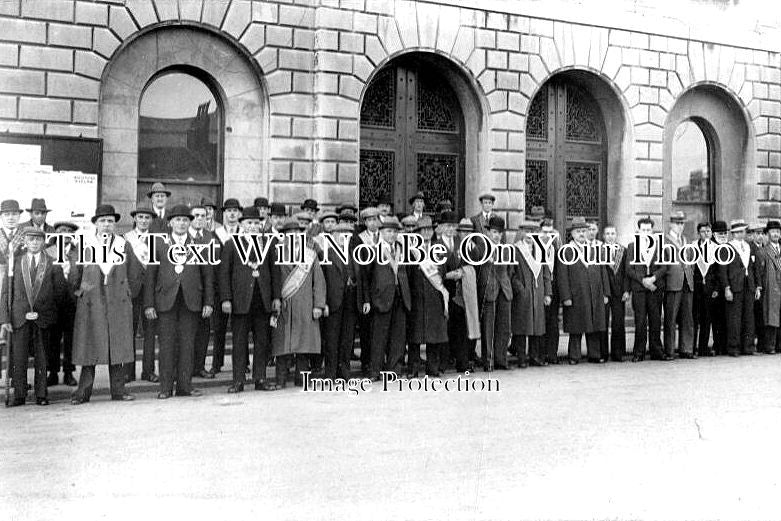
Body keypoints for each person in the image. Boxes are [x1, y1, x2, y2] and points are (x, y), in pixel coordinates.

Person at [71, 205, 141, 404]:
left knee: (116, 347)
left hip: (117, 302)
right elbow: (76, 274)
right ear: (95, 223)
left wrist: (127, 292)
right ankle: (83, 393)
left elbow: (134, 273)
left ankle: (118, 391)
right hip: (92, 301)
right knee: (89, 347)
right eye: (103, 221)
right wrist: (82, 292)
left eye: (110, 221)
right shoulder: (86, 243)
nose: (107, 224)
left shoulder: (123, 244)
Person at [144, 204, 214, 399]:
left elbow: (207, 276)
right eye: (178, 220)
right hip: (165, 301)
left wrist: (208, 302)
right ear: (170, 223)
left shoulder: (199, 245)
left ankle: (184, 386)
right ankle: (165, 388)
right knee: (166, 345)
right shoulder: (158, 244)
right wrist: (149, 304)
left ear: (189, 223)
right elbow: (150, 276)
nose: (182, 223)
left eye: (185, 220)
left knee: (187, 345)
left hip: (190, 301)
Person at [219, 206, 281, 392]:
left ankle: (260, 378)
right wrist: (226, 299)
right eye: (249, 223)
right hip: (240, 300)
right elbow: (224, 274)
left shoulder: (268, 243)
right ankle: (238, 380)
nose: (253, 226)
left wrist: (276, 297)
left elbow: (275, 272)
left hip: (262, 300)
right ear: (242, 225)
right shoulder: (232, 244)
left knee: (262, 341)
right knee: (239, 342)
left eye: (256, 223)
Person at [1, 227, 64, 406]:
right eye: (31, 239)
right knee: (18, 357)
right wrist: (5, 319)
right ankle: (19, 395)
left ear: (43, 242)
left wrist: (52, 316)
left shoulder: (52, 263)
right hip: (19, 317)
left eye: (38, 239)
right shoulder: (15, 262)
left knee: (42, 357)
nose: (34, 243)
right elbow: (6, 292)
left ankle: (41, 394)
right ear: (25, 242)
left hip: (43, 317)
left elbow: (59, 293)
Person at [271, 217, 326, 387]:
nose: (294, 235)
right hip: (285, 303)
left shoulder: (310, 254)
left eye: (297, 232)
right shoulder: (277, 251)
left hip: (305, 304)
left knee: (304, 343)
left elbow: (319, 280)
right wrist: (275, 299)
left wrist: (319, 305)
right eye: (290, 233)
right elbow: (273, 278)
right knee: (282, 344)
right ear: (284, 235)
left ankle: (300, 377)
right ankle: (280, 379)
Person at [558, 217, 610, 364]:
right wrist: (566, 296)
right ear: (572, 234)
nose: (581, 233)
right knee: (576, 327)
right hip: (576, 294)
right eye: (578, 231)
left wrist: (606, 292)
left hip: (595, 293)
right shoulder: (566, 251)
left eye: (583, 231)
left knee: (593, 324)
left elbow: (603, 271)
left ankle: (594, 354)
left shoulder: (594, 249)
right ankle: (574, 356)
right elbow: (562, 276)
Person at [366, 216, 411, 380]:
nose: (392, 235)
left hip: (400, 297)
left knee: (398, 336)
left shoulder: (402, 248)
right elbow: (368, 276)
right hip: (382, 298)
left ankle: (394, 369)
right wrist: (371, 298)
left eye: (394, 232)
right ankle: (375, 371)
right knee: (379, 337)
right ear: (382, 232)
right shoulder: (374, 249)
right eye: (389, 231)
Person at [407, 216, 449, 377]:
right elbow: (409, 274)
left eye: (429, 230)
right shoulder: (412, 251)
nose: (426, 232)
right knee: (415, 337)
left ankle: (432, 368)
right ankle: (413, 369)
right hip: (417, 296)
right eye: (422, 230)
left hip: (434, 295)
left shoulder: (439, 249)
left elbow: (443, 270)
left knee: (434, 336)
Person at [122, 205, 159, 383]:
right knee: (129, 331)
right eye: (140, 217)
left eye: (147, 218)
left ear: (151, 220)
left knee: (150, 333)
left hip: (151, 293)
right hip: (131, 291)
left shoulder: (158, 240)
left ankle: (148, 371)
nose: (144, 220)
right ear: (135, 219)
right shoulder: (125, 240)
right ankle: (128, 371)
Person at [320, 222, 360, 380]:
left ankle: (344, 372)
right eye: (341, 234)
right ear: (333, 237)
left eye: (348, 235)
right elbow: (322, 281)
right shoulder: (326, 254)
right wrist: (324, 303)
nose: (344, 238)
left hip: (350, 302)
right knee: (331, 340)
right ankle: (330, 373)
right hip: (333, 302)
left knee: (347, 340)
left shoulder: (354, 254)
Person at [509, 220, 552, 368]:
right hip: (523, 294)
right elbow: (511, 274)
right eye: (527, 232)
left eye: (533, 232)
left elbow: (546, 274)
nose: (529, 235)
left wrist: (547, 293)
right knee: (522, 327)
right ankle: (521, 358)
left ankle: (535, 357)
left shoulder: (541, 250)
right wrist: (520, 289)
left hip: (538, 293)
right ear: (522, 233)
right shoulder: (515, 250)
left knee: (537, 327)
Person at [626, 217, 667, 361]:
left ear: (652, 230)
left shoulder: (659, 245)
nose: (646, 232)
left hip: (655, 288)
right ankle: (639, 352)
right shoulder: (632, 247)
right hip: (639, 288)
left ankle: (657, 351)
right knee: (640, 321)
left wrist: (653, 278)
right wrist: (643, 280)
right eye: (643, 230)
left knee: (655, 320)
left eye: (649, 229)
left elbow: (664, 267)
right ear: (638, 230)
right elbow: (629, 269)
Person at [209, 198, 242, 374]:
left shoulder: (245, 233)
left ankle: (242, 363)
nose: (232, 214)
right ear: (224, 214)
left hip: (240, 288)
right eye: (229, 211)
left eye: (235, 211)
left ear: (239, 214)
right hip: (220, 287)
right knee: (219, 328)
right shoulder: (216, 234)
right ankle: (216, 363)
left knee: (241, 328)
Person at [45, 221, 79, 386]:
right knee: (53, 339)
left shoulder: (78, 253)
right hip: (53, 303)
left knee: (70, 339)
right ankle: (52, 372)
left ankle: (68, 373)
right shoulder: (48, 252)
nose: (65, 233)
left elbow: (87, 277)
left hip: (73, 303)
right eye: (61, 231)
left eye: (68, 231)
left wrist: (80, 293)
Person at [444, 218, 480, 373]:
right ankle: (458, 360)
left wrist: (464, 273)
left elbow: (477, 269)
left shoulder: (474, 249)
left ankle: (466, 360)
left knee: (467, 327)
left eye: (468, 232)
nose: (465, 234)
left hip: (470, 293)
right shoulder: (455, 248)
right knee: (457, 329)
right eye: (463, 231)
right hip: (455, 294)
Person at [476, 215, 512, 371]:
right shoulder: (482, 248)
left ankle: (501, 360)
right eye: (494, 232)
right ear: (489, 232)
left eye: (499, 233)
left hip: (504, 290)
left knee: (504, 328)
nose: (497, 235)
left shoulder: (506, 248)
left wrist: (506, 284)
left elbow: (510, 270)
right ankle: (488, 361)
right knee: (488, 328)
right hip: (489, 291)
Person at [720, 219, 759, 357]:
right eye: (741, 231)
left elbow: (754, 268)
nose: (744, 233)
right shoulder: (726, 248)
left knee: (749, 317)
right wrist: (726, 287)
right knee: (734, 318)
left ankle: (747, 347)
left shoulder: (749, 246)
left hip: (748, 286)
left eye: (744, 231)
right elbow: (723, 270)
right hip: (735, 286)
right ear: (735, 233)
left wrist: (757, 287)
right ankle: (733, 347)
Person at [189, 204, 217, 380]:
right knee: (186, 333)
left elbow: (213, 270)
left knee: (203, 333)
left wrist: (210, 300)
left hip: (206, 292)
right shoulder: (182, 238)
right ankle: (185, 367)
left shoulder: (211, 237)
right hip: (187, 293)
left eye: (203, 215)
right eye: (196, 215)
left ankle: (199, 366)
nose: (200, 218)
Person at [663, 211, 695, 359]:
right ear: (671, 224)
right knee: (671, 318)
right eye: (677, 223)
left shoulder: (686, 240)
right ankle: (669, 350)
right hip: (672, 283)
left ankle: (686, 349)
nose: (680, 226)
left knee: (687, 318)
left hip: (687, 282)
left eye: (682, 223)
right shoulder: (665, 241)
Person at [355, 207, 381, 375]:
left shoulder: (385, 236)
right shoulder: (360, 239)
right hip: (368, 287)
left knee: (380, 328)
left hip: (383, 289)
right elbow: (361, 269)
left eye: (375, 219)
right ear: (365, 222)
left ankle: (379, 360)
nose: (372, 222)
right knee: (366, 329)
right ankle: (366, 362)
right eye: (369, 220)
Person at [603, 224, 629, 361]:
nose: (610, 236)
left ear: (616, 235)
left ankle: (617, 352)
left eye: (612, 233)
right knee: (604, 321)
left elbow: (626, 272)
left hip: (619, 292)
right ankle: (603, 353)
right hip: (605, 292)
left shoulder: (623, 251)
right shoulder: (599, 250)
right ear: (603, 236)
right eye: (607, 234)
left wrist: (626, 290)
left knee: (618, 322)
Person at [538, 217, 562, 364]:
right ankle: (541, 354)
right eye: (545, 232)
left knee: (553, 322)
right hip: (541, 289)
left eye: (551, 232)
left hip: (555, 289)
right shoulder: (536, 249)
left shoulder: (557, 250)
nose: (548, 235)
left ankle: (552, 354)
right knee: (542, 321)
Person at [757, 221, 781, 354]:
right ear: (767, 234)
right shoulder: (763, 251)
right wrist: (760, 287)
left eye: (778, 231)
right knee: (771, 317)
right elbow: (760, 273)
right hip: (771, 288)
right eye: (773, 231)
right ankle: (770, 346)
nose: (776, 234)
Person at [707, 221, 730, 356]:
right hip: (715, 288)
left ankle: (724, 345)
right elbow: (711, 270)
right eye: (719, 233)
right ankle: (717, 344)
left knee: (725, 318)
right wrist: (715, 287)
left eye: (724, 233)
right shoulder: (710, 248)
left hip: (726, 287)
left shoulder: (727, 247)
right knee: (716, 319)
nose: (722, 236)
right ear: (714, 234)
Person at [692, 222, 713, 356]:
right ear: (699, 233)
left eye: (708, 231)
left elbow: (717, 270)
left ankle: (703, 348)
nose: (706, 234)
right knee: (695, 319)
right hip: (696, 288)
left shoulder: (715, 247)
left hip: (710, 289)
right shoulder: (693, 247)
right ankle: (692, 347)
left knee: (707, 319)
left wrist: (716, 288)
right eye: (703, 231)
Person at [749, 223, 767, 352]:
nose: (760, 236)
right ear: (752, 235)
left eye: (762, 234)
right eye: (757, 234)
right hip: (754, 288)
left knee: (762, 316)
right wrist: (757, 287)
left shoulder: (765, 249)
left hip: (765, 287)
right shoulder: (749, 249)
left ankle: (762, 344)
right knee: (754, 316)